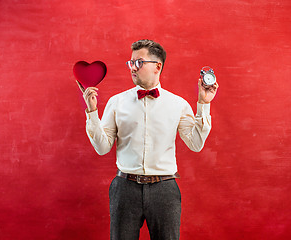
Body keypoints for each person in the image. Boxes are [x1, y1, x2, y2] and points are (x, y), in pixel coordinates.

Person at [81, 39, 218, 240]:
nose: (132, 68)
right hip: (124, 188)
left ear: (157, 66)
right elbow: (102, 148)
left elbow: (196, 144)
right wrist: (92, 112)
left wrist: (203, 104)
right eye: (130, 63)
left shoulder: (177, 104)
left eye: (138, 62)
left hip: (164, 189)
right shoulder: (116, 102)